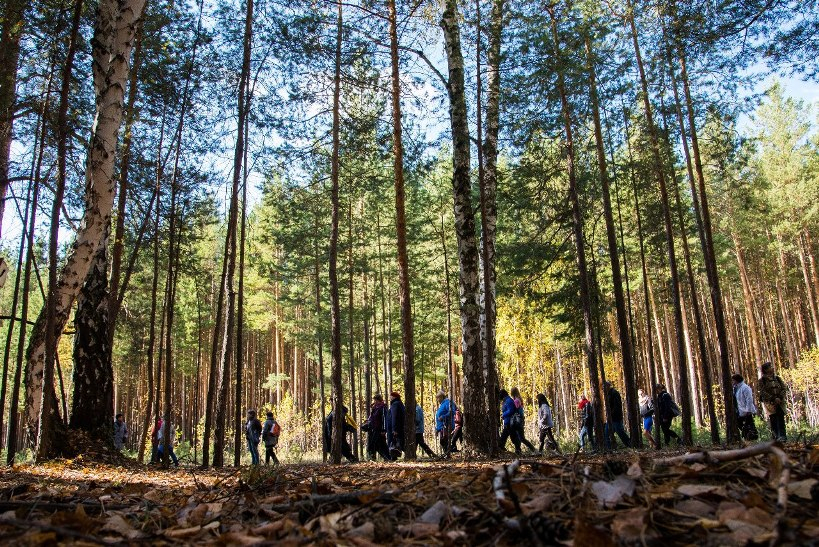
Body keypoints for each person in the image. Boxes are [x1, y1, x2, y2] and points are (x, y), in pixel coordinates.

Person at [757, 362, 787, 442]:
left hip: (780, 403)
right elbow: (763, 392)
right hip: (770, 404)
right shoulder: (762, 381)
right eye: (770, 367)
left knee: (781, 420)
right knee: (773, 420)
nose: (772, 368)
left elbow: (784, 388)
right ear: (766, 370)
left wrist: (780, 397)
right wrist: (773, 399)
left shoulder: (778, 378)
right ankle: (776, 438)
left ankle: (783, 437)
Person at [603, 381, 631, 449]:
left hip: (616, 418)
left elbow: (617, 406)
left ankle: (630, 445)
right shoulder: (608, 394)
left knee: (621, 433)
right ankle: (609, 449)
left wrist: (611, 414)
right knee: (606, 433)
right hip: (610, 419)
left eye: (604, 387)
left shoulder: (614, 393)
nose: (603, 389)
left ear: (608, 386)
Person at [363, 395, 391, 461]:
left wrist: (383, 430)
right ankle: (374, 458)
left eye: (375, 400)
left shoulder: (383, 407)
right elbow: (372, 417)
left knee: (379, 444)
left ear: (378, 400)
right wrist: (368, 421)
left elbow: (384, 419)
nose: (374, 401)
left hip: (379, 430)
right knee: (375, 444)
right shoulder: (375, 408)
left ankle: (387, 458)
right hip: (373, 429)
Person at [732, 374, 758, 441]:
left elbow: (749, 399)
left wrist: (748, 410)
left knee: (749, 426)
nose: (732, 382)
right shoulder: (735, 388)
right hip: (739, 411)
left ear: (736, 380)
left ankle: (752, 439)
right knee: (741, 425)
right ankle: (747, 438)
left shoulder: (745, 388)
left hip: (746, 411)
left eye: (733, 380)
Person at [510, 387, 537, 453]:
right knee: (519, 437)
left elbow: (515, 409)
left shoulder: (516, 400)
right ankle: (518, 451)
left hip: (518, 420)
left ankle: (533, 449)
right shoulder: (519, 399)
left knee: (521, 438)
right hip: (521, 419)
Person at [498, 389, 522, 454]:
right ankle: (501, 447)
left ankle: (518, 450)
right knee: (504, 436)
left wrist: (503, 414)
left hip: (510, 422)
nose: (499, 396)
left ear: (503, 394)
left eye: (500, 395)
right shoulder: (506, 401)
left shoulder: (508, 401)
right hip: (507, 422)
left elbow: (511, 410)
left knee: (513, 437)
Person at [435, 391, 455, 455]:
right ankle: (446, 454)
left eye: (438, 398)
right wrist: (437, 429)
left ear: (442, 397)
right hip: (441, 427)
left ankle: (447, 454)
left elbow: (452, 412)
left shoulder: (447, 402)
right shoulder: (442, 404)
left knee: (444, 441)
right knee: (443, 441)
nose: (437, 400)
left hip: (446, 426)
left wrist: (443, 417)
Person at [387, 391, 405, 460]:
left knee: (393, 443)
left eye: (391, 396)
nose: (390, 397)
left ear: (394, 397)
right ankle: (393, 458)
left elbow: (394, 417)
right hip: (399, 428)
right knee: (398, 443)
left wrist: (394, 429)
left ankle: (393, 458)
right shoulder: (400, 404)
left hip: (394, 428)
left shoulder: (395, 404)